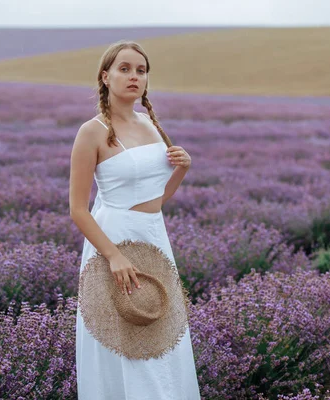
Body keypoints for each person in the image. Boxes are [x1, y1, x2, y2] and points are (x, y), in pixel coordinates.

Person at [69, 40, 201, 399]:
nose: (134, 77)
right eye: (124, 69)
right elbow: (78, 209)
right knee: (123, 334)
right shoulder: (92, 131)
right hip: (115, 240)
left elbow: (155, 200)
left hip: (154, 237)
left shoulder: (149, 124)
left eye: (141, 71)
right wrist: (113, 256)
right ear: (105, 76)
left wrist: (182, 171)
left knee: (161, 330)